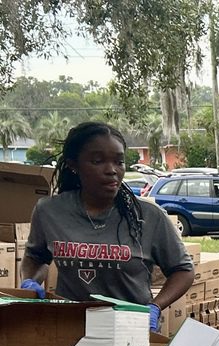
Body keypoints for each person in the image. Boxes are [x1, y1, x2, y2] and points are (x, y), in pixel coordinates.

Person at [20, 121, 194, 331]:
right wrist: (30, 282)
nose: (111, 170)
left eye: (119, 162)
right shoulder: (49, 211)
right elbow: (36, 257)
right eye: (97, 161)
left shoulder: (148, 216)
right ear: (74, 164)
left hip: (129, 330)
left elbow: (183, 270)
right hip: (69, 329)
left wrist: (154, 307)